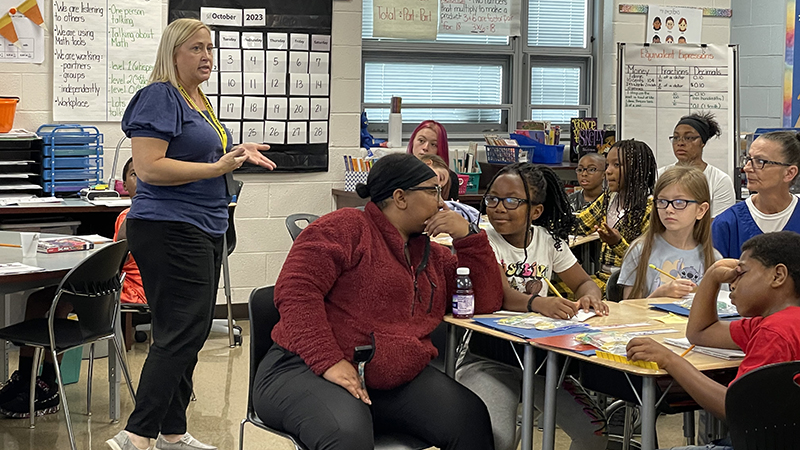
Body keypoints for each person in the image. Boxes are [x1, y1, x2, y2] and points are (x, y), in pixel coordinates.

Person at [253, 153, 503, 450]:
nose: (441, 202)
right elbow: (296, 293)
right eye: (433, 191)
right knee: (346, 435)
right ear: (400, 197)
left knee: (469, 418)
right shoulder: (344, 227)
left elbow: (484, 302)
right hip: (304, 367)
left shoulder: (430, 254)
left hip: (388, 379)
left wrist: (469, 237)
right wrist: (329, 361)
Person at [107, 18, 276, 450]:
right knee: (184, 330)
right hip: (169, 227)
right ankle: (137, 433)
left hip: (201, 225)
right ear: (173, 53)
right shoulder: (159, 96)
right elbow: (148, 168)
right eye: (196, 48)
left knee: (182, 331)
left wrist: (234, 153)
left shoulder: (196, 99)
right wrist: (217, 167)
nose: (206, 56)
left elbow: (197, 154)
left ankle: (172, 431)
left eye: (210, 48)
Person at [457, 162, 608, 450]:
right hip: (489, 357)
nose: (499, 207)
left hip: (541, 360)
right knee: (498, 438)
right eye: (493, 199)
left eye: (512, 201)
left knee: (594, 432)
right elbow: (502, 296)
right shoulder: (482, 241)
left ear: (535, 211)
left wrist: (591, 296)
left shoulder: (549, 241)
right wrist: (540, 303)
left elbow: (584, 283)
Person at [0, 157, 148, 419]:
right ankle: (26, 377)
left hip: (129, 288)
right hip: (110, 281)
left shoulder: (143, 215)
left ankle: (47, 382)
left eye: (147, 173)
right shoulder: (125, 214)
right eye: (135, 174)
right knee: (38, 300)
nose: (142, 180)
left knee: (59, 300)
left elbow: (123, 257)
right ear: (124, 183)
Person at [626, 231, 800, 450]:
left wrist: (670, 360)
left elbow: (736, 410)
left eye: (741, 273)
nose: (733, 284)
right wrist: (712, 277)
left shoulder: (775, 332)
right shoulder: (775, 323)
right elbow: (701, 332)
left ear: (778, 276)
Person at [619, 166, 721, 299]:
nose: (669, 209)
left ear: (701, 210)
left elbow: (721, 309)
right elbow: (629, 312)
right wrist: (659, 295)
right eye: (662, 201)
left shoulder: (714, 259)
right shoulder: (640, 251)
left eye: (680, 202)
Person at [574, 139, 657, 289]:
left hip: (627, 284)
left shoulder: (651, 208)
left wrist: (616, 243)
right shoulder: (610, 197)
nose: (608, 171)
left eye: (616, 165)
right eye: (607, 165)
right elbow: (580, 224)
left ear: (637, 169)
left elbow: (646, 262)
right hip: (602, 278)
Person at [712, 131, 800, 259]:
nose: (747, 168)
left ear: (789, 173)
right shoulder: (728, 224)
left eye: (760, 161)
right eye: (748, 159)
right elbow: (714, 276)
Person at [657, 113, 735, 218]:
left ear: (702, 142)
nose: (680, 143)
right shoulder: (659, 175)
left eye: (688, 138)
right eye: (676, 137)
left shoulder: (719, 180)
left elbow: (718, 225)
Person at [114, 157, 146, 304]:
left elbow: (117, 260)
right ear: (124, 186)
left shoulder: (130, 217)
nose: (141, 180)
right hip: (130, 285)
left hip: (136, 291)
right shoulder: (124, 217)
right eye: (134, 174)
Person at [407, 120, 459, 200]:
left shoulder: (449, 178)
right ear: (413, 141)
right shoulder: (399, 173)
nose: (425, 148)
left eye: (433, 144)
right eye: (421, 141)